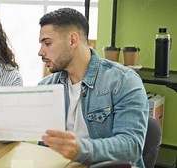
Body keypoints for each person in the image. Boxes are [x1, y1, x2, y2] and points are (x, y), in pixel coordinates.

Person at [38, 8, 149, 167]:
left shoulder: (123, 81)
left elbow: (131, 146)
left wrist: (80, 149)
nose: (40, 52)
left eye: (47, 43)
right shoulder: (46, 86)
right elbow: (44, 147)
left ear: (72, 40)